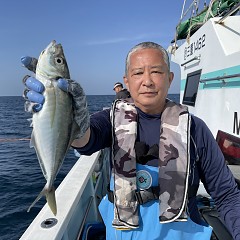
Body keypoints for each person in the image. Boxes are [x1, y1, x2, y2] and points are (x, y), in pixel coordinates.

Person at [22, 42, 240, 240]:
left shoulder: (195, 128)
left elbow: (226, 194)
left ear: (170, 78)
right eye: (138, 73)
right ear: (127, 80)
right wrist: (68, 117)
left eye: (156, 71)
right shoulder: (110, 119)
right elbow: (84, 141)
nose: (147, 81)